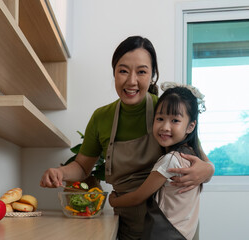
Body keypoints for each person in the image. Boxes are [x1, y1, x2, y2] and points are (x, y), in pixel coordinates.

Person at [39, 36, 215, 240]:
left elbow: (200, 160)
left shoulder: (166, 113)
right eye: (123, 71)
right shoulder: (101, 117)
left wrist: (209, 169)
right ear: (114, 73)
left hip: (172, 228)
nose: (131, 81)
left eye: (141, 71)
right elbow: (82, 167)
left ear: (152, 75)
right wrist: (59, 172)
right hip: (126, 223)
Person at [108, 83, 206, 240]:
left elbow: (138, 196)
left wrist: (113, 201)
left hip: (165, 234)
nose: (165, 127)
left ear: (190, 126)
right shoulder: (194, 157)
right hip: (187, 233)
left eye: (175, 120)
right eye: (160, 118)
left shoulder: (170, 161)